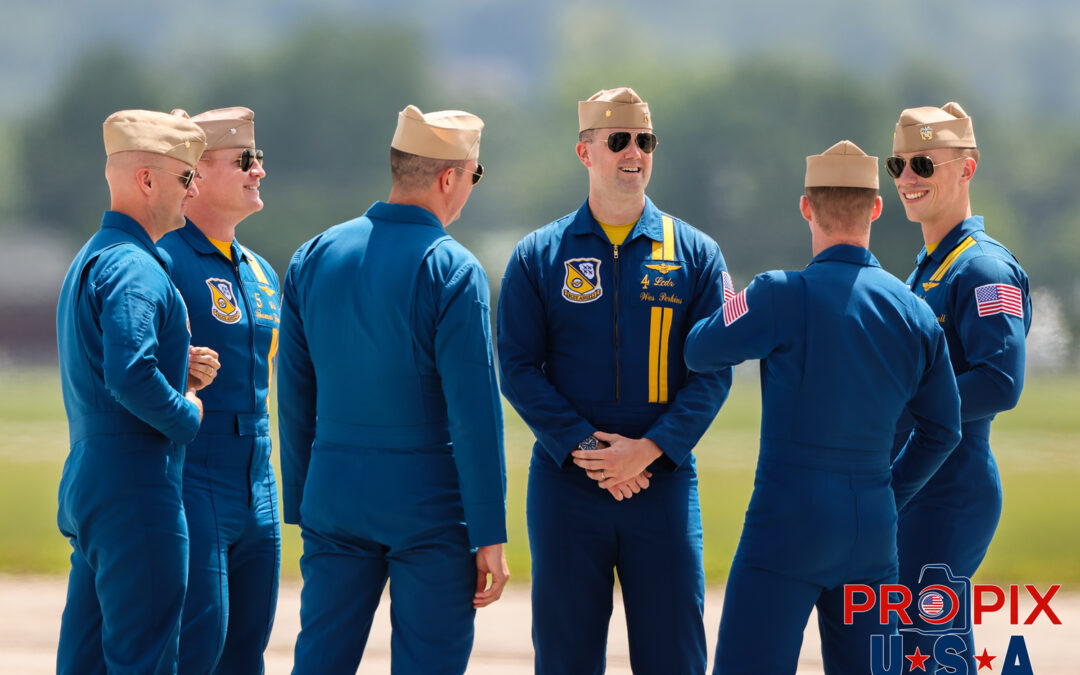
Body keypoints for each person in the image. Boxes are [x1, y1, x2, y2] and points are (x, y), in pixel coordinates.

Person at [684, 140, 962, 674]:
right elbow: (943, 431)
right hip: (872, 529)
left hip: (785, 525)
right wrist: (888, 491)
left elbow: (700, 350)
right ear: (876, 209)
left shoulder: (777, 293)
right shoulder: (916, 313)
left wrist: (728, 296)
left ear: (806, 207)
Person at [497, 87, 732, 674]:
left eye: (645, 141)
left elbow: (715, 370)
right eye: (619, 140)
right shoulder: (537, 255)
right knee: (566, 654)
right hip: (567, 484)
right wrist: (587, 450)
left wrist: (650, 450)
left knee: (674, 652)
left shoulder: (698, 255)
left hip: (663, 480)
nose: (635, 153)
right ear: (586, 152)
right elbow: (518, 367)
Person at [278, 104, 509, 674]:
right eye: (474, 175)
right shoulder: (453, 268)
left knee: (320, 659)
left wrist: (305, 498)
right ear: (449, 177)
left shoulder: (313, 255)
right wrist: (490, 533)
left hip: (333, 493)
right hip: (428, 501)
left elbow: (293, 391)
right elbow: (474, 414)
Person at [55, 109, 218, 673]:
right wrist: (187, 409)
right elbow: (129, 374)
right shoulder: (135, 266)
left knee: (86, 658)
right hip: (137, 486)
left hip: (94, 479)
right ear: (146, 180)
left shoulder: (93, 256)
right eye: (184, 177)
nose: (194, 189)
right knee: (143, 660)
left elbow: (115, 365)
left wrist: (177, 369)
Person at [887, 102, 1031, 672]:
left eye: (923, 164)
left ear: (966, 169)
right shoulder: (925, 267)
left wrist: (908, 401)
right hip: (911, 487)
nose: (907, 179)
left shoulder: (984, 270)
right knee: (903, 652)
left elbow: (1000, 383)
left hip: (949, 493)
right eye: (897, 166)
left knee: (932, 655)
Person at [157, 106, 280, 673]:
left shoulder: (260, 270)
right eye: (245, 161)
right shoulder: (163, 258)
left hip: (259, 477)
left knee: (247, 649)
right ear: (196, 175)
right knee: (196, 647)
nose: (259, 171)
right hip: (194, 469)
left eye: (259, 160)